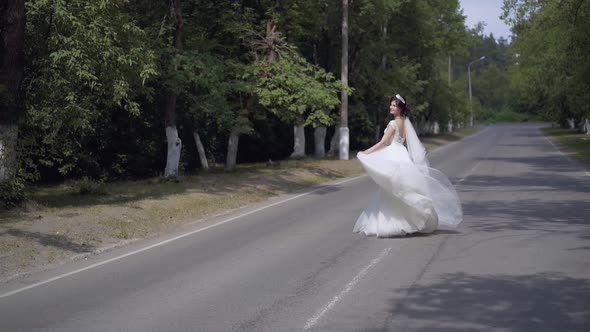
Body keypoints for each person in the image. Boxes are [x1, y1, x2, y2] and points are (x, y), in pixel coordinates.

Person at [354, 94, 462, 237]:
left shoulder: (393, 124)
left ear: (400, 108)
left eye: (394, 105)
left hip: (393, 154)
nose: (391, 107)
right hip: (402, 154)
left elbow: (382, 143)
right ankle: (408, 221)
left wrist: (365, 153)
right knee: (401, 188)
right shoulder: (404, 122)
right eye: (391, 104)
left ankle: (394, 223)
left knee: (392, 188)